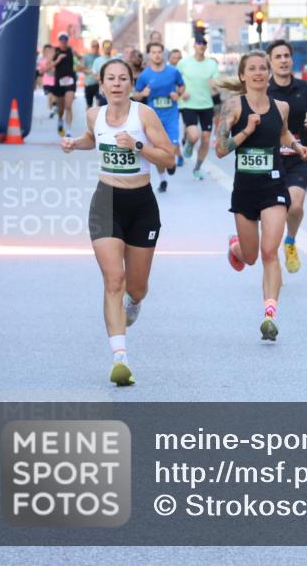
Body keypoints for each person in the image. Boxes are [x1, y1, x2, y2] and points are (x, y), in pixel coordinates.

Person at [59, 58, 175, 385]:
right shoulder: (95, 115)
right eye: (110, 79)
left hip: (142, 204)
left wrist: (137, 145)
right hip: (106, 201)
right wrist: (74, 144)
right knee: (114, 279)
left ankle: (134, 302)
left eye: (123, 79)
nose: (116, 84)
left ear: (131, 83)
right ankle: (120, 358)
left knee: (136, 287)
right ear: (102, 82)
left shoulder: (145, 115)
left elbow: (169, 156)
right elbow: (91, 138)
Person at [215, 51, 307, 341]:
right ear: (243, 75)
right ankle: (236, 249)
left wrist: (296, 146)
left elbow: (282, 133)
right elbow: (220, 149)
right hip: (244, 190)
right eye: (252, 69)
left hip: (273, 186)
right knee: (251, 256)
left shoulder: (280, 107)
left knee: (270, 252)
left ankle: (270, 315)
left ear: (268, 74)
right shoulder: (233, 106)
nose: (258, 73)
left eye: (262, 68)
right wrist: (246, 130)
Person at [266, 39, 307, 274]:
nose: (283, 60)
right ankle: (272, 256)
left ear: (292, 59)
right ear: (270, 61)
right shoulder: (264, 90)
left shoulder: (304, 87)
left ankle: (290, 242)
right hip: (271, 158)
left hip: (300, 156)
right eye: (278, 56)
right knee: (274, 211)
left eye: (286, 56)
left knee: (295, 206)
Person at [132, 42, 185, 193]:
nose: (157, 55)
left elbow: (182, 85)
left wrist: (178, 94)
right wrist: (142, 94)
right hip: (153, 118)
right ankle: (163, 180)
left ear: (163, 54)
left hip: (171, 115)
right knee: (158, 150)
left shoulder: (173, 72)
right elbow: (135, 94)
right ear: (149, 55)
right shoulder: (144, 75)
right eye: (153, 52)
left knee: (173, 146)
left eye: (159, 52)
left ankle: (171, 162)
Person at [176, 37, 219, 180]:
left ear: (206, 47)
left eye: (204, 44)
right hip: (188, 104)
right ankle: (189, 143)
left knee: (206, 139)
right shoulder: (184, 63)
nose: (201, 46)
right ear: (194, 46)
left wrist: (215, 84)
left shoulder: (211, 64)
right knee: (195, 135)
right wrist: (181, 92)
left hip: (206, 105)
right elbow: (175, 81)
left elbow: (216, 81)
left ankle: (197, 168)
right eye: (199, 43)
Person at [53, 33, 78, 137]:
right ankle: (60, 119)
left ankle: (68, 130)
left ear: (67, 40)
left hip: (70, 80)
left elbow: (79, 60)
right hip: (59, 81)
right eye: (61, 40)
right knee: (61, 108)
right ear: (59, 40)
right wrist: (58, 59)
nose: (63, 41)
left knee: (68, 106)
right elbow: (49, 65)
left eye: (65, 40)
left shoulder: (71, 50)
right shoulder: (55, 51)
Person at [37, 45, 59, 126]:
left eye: (50, 51)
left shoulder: (55, 60)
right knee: (49, 97)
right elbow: (40, 71)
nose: (48, 53)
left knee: (52, 95)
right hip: (46, 81)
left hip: (54, 81)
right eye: (46, 51)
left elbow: (55, 69)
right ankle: (53, 109)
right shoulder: (42, 60)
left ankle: (54, 108)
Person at [90, 40, 114, 107]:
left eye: (108, 46)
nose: (107, 48)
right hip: (103, 92)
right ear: (102, 48)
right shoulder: (97, 60)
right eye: (105, 46)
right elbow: (94, 75)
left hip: (115, 92)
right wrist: (105, 79)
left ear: (111, 47)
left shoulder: (115, 60)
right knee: (103, 112)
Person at [81, 40, 102, 109]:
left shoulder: (101, 57)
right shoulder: (86, 57)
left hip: (99, 84)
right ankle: (88, 119)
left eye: (97, 46)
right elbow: (82, 69)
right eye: (93, 46)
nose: (95, 48)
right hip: (89, 84)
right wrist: (92, 71)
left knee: (100, 103)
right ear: (91, 47)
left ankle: (98, 119)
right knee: (89, 104)